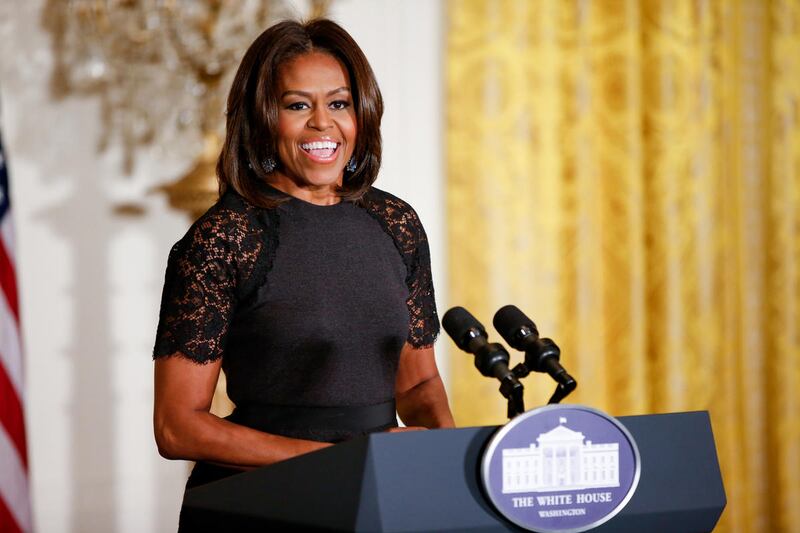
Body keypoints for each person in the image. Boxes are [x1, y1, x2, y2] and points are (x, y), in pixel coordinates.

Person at [151, 17, 455, 520]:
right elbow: (177, 426)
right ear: (263, 119)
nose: (322, 123)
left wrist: (444, 466)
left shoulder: (395, 222)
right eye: (297, 105)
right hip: (263, 505)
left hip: (378, 498)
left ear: (362, 113)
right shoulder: (223, 239)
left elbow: (418, 384)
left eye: (338, 103)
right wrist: (343, 463)